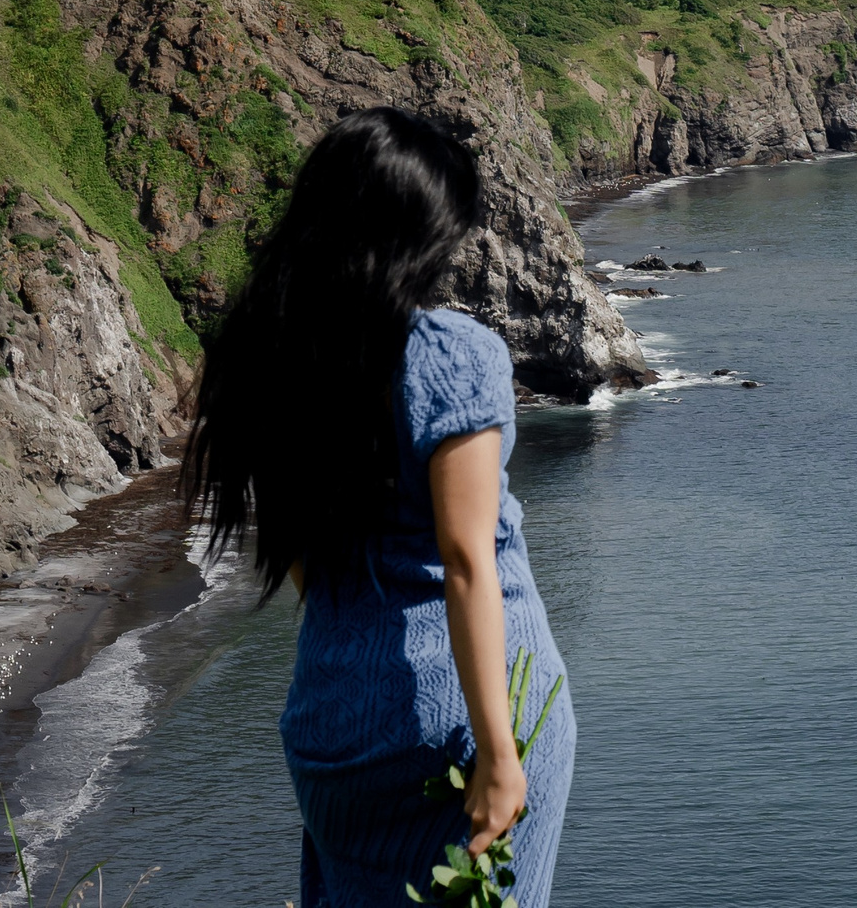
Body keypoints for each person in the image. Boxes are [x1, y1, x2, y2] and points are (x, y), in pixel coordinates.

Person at [182, 106, 574, 907]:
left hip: (334, 722)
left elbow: (297, 555)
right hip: (459, 727)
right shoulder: (452, 357)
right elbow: (466, 562)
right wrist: (500, 754)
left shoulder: (265, 356)